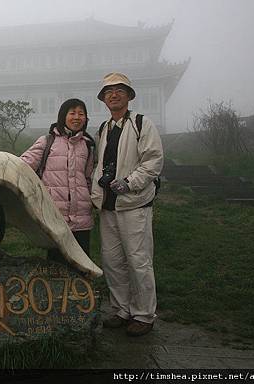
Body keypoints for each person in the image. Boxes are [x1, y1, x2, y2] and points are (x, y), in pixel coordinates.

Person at [91, 72, 163, 337]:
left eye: (120, 90)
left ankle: (144, 314)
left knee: (138, 260)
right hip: (108, 206)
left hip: (133, 203)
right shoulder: (104, 129)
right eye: (108, 91)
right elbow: (98, 165)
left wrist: (130, 182)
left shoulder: (142, 124)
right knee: (112, 261)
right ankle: (121, 310)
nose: (113, 94)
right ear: (103, 98)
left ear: (129, 95)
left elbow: (153, 161)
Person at [20, 98, 95, 263]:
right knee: (56, 264)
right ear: (63, 116)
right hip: (55, 215)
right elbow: (23, 166)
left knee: (82, 264)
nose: (77, 117)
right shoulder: (47, 141)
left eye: (81, 114)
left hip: (82, 216)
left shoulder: (88, 146)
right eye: (72, 113)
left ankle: (78, 290)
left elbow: (88, 178)